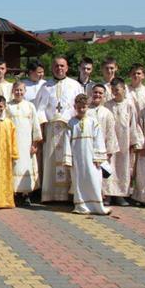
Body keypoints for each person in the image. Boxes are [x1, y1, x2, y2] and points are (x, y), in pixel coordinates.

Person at [34, 56, 84, 203]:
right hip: (51, 130)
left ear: (67, 68)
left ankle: (68, 194)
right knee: (49, 161)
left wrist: (70, 119)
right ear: (52, 68)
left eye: (62, 66)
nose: (59, 68)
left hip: (68, 129)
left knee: (68, 160)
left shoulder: (75, 85)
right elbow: (40, 109)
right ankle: (50, 195)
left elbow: (80, 107)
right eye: (56, 66)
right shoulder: (46, 86)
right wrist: (43, 127)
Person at [63, 94, 110, 215]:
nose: (81, 109)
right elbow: (66, 141)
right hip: (77, 158)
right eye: (79, 107)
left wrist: (98, 157)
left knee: (94, 179)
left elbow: (98, 140)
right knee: (79, 180)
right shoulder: (71, 123)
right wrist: (68, 159)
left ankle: (97, 206)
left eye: (84, 107)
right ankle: (81, 206)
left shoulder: (93, 122)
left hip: (91, 158)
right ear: (75, 107)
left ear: (87, 107)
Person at [105, 78, 140, 206]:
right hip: (111, 140)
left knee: (122, 167)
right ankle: (108, 194)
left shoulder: (129, 105)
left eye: (117, 89)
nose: (115, 92)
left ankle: (120, 195)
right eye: (113, 90)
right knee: (110, 166)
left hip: (124, 141)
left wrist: (134, 142)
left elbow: (133, 124)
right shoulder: (108, 105)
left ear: (124, 89)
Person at [7, 82, 42, 206]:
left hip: (26, 142)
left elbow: (35, 125)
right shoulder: (8, 106)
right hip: (13, 142)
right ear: (12, 91)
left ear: (25, 91)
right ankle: (14, 193)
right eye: (16, 90)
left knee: (26, 164)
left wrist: (35, 143)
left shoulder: (30, 106)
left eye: (21, 90)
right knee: (14, 166)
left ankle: (26, 194)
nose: (19, 92)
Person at [88, 84, 119, 206]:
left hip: (102, 149)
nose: (97, 95)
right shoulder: (87, 111)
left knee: (102, 173)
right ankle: (90, 195)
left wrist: (109, 150)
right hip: (89, 148)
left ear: (104, 95)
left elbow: (111, 133)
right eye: (95, 92)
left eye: (100, 93)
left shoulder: (107, 113)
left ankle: (104, 195)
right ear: (91, 93)